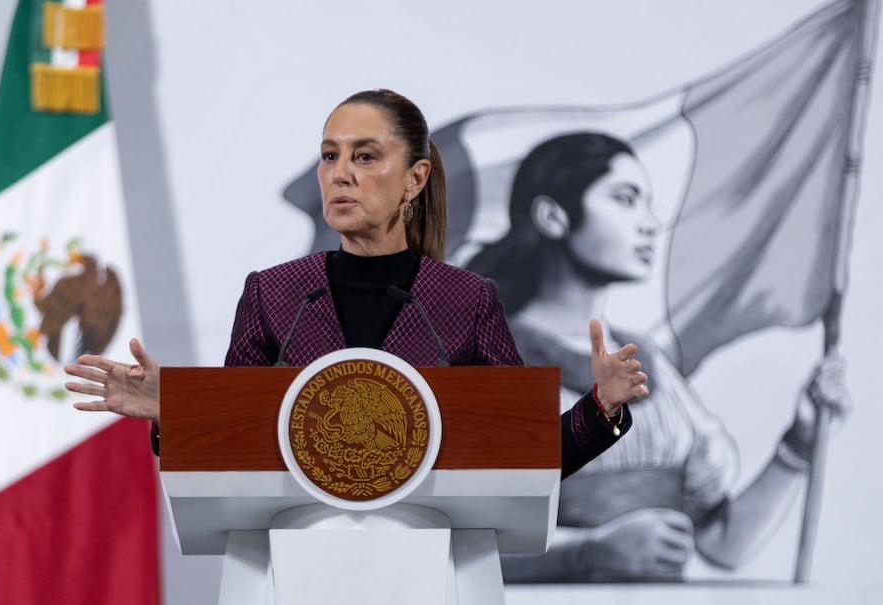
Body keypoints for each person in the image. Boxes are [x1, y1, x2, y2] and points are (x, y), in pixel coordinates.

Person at [63, 90, 649, 477]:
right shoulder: (274, 296)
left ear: (415, 178)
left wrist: (601, 407)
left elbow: (528, 455)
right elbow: (234, 453)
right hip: (304, 575)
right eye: (329, 156)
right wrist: (178, 415)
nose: (339, 173)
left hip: (429, 576)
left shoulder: (467, 302)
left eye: (365, 157)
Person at [466, 132, 851, 582]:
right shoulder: (488, 358)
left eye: (648, 203)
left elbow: (722, 544)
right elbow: (457, 546)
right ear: (553, 216)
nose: (650, 223)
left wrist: (800, 442)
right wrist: (587, 553)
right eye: (625, 199)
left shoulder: (651, 365)